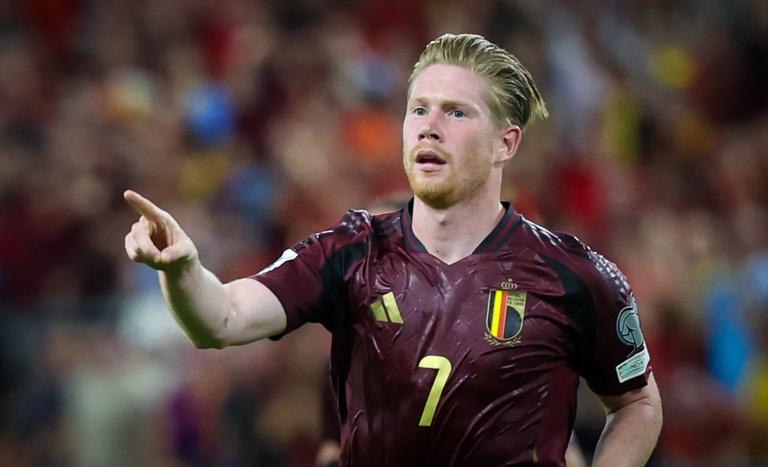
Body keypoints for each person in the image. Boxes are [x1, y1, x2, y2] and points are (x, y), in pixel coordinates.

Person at [124, 33, 662, 466]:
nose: (429, 128)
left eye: (456, 113)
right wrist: (183, 269)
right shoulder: (350, 252)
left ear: (506, 142)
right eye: (418, 109)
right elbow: (220, 320)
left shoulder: (574, 276)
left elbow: (637, 402)